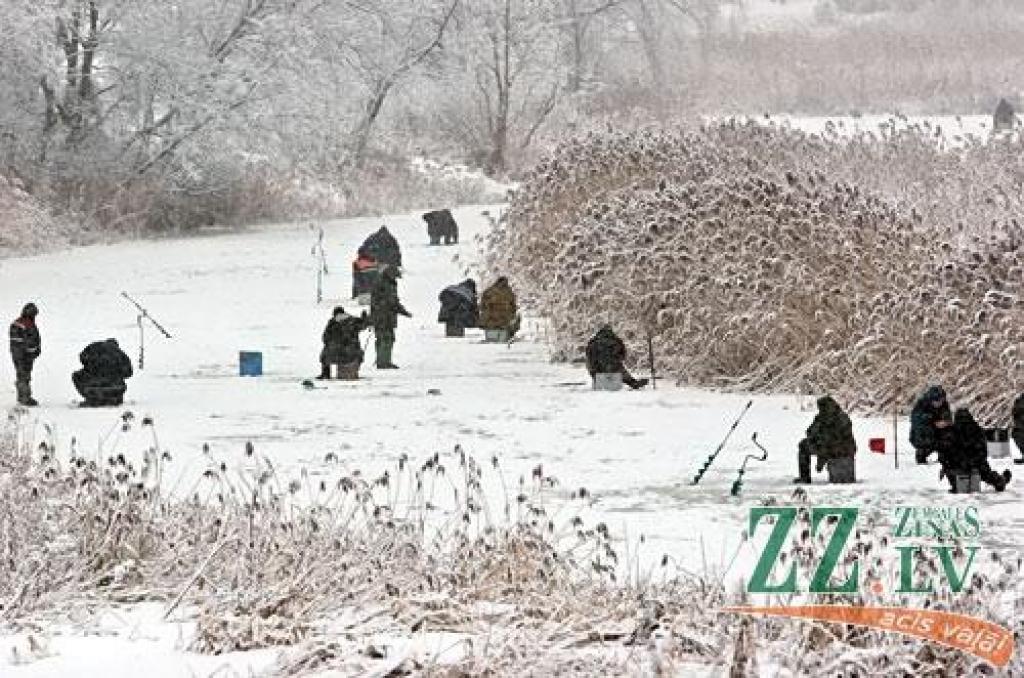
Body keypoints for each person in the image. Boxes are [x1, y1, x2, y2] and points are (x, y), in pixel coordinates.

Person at [942, 408, 1012, 493]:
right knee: (985, 473)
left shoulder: (952, 431)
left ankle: (957, 486)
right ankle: (999, 481)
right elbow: (983, 451)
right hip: (971, 463)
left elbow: (945, 451)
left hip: (965, 463)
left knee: (952, 469)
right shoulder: (976, 430)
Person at [794, 395, 857, 484]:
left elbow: (836, 438)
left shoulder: (841, 418)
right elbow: (810, 432)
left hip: (841, 448)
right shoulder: (821, 417)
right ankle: (804, 477)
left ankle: (805, 478)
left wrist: (821, 457)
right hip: (827, 447)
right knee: (803, 444)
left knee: (807, 446)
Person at [370, 265, 411, 369]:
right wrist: (403, 311)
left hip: (380, 315)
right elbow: (392, 302)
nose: (395, 278)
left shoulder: (382, 282)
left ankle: (382, 360)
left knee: (381, 338)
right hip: (384, 316)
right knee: (387, 338)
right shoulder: (386, 285)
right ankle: (384, 362)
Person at [585, 324, 649, 390]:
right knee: (621, 371)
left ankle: (599, 381)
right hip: (614, 367)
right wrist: (616, 360)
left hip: (597, 368)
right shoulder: (616, 340)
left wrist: (593, 370)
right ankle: (633, 383)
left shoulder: (593, 341)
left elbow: (588, 355)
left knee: (594, 367)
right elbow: (623, 354)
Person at [72, 339, 133, 407]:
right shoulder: (121, 354)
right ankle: (112, 399)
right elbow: (129, 373)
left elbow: (82, 357)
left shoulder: (94, 347)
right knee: (116, 382)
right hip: (116, 389)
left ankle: (93, 398)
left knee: (76, 375)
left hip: (92, 386)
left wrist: (90, 367)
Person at [318, 306, 371, 379]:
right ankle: (351, 371)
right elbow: (364, 325)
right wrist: (364, 318)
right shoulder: (353, 320)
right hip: (350, 352)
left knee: (324, 355)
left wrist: (331, 344)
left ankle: (325, 373)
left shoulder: (332, 322)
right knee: (358, 353)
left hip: (333, 353)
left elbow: (325, 337)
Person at [909, 385, 952, 464]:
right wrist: (933, 422)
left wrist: (946, 422)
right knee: (927, 435)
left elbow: (948, 418)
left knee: (950, 435)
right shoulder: (921, 404)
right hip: (921, 435)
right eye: (937, 400)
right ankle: (921, 456)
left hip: (938, 432)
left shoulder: (944, 405)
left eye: (942, 400)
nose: (940, 403)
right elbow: (916, 420)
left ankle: (944, 457)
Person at [9, 302, 41, 407]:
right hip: (24, 355)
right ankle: (24, 399)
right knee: (24, 376)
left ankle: (23, 397)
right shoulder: (28, 323)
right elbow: (30, 342)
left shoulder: (17, 322)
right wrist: (34, 351)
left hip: (17, 354)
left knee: (21, 375)